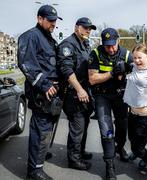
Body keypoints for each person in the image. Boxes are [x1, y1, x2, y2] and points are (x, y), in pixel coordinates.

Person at [17, 5, 62, 180]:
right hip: (41, 92)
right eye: (50, 20)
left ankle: (39, 157)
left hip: (52, 91)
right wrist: (44, 85)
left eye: (55, 20)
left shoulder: (48, 38)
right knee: (41, 129)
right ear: (39, 18)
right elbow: (27, 64)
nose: (53, 23)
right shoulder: (30, 36)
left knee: (47, 127)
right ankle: (34, 170)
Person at [88, 28, 133, 179]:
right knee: (106, 130)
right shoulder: (95, 54)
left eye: (113, 45)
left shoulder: (127, 54)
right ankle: (110, 165)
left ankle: (120, 148)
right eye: (107, 46)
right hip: (103, 96)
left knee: (122, 128)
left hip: (121, 96)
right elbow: (93, 79)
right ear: (102, 43)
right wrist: (112, 73)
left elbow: (138, 74)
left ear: (118, 41)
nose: (111, 49)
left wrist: (127, 72)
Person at [57, 17, 96, 170]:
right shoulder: (68, 45)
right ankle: (74, 159)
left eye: (90, 28)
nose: (88, 30)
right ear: (76, 28)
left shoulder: (85, 44)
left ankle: (80, 151)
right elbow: (67, 70)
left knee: (84, 124)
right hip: (73, 93)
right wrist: (79, 89)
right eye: (85, 27)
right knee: (77, 126)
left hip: (85, 92)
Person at [123, 44, 147, 173]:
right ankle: (137, 152)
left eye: (139, 57)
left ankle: (146, 155)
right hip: (132, 113)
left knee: (138, 146)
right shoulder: (133, 67)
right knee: (131, 139)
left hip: (145, 117)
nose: (136, 60)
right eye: (134, 58)